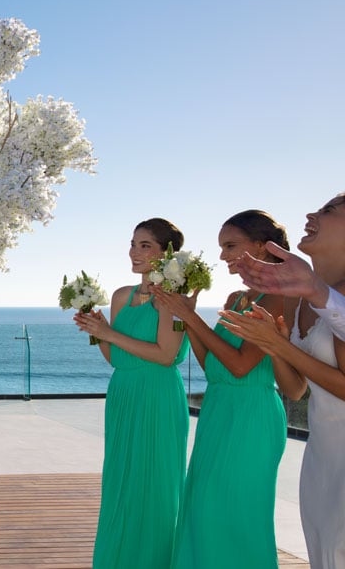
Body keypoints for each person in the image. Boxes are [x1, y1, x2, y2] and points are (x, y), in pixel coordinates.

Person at [153, 210, 287, 568]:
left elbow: (242, 366)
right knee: (202, 505)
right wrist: (186, 315)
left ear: (262, 246)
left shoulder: (279, 299)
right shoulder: (235, 300)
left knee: (235, 511)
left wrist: (192, 317)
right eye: (222, 247)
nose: (223, 255)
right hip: (218, 409)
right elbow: (213, 363)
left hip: (251, 416)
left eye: (231, 245)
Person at [221, 193, 345, 568]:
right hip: (321, 457)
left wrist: (277, 344)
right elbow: (295, 389)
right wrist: (271, 344)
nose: (311, 214)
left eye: (329, 210)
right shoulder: (299, 300)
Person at [73, 217, 190, 568]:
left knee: (154, 486)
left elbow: (166, 355)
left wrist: (109, 334)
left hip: (158, 398)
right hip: (123, 394)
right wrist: (96, 330)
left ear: (166, 253)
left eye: (145, 246)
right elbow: (117, 359)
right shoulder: (122, 296)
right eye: (133, 243)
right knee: (120, 484)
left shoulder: (176, 299)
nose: (134, 252)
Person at [237, 239, 345, 341]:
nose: (309, 217)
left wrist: (275, 342)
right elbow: (285, 359)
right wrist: (272, 343)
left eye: (230, 246)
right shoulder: (295, 298)